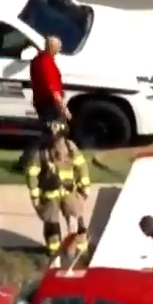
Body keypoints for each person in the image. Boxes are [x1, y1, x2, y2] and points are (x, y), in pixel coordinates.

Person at [25, 121, 91, 257]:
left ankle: (82, 251)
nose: (56, 142)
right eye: (53, 137)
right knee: (51, 224)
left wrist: (84, 186)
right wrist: (35, 196)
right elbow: (32, 174)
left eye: (58, 137)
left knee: (77, 220)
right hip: (50, 195)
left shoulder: (71, 147)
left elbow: (81, 166)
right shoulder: (41, 153)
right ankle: (54, 252)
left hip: (69, 192)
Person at [16, 35, 69, 172]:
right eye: (59, 46)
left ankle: (54, 161)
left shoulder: (38, 60)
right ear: (53, 47)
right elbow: (52, 88)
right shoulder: (46, 63)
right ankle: (26, 162)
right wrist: (63, 108)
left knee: (54, 134)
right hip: (49, 104)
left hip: (42, 102)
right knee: (51, 133)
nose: (60, 49)